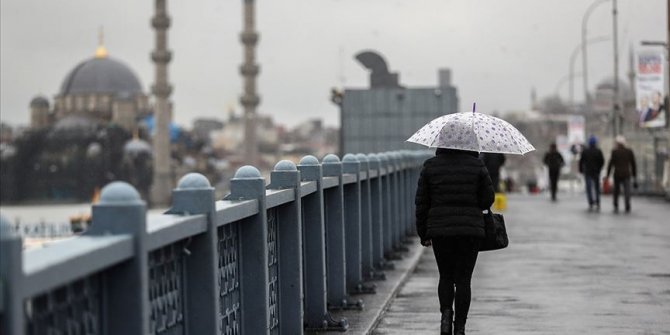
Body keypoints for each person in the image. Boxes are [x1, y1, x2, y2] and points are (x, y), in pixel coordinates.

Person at [415, 148, 495, 335]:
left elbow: (422, 203)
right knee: (464, 280)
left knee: (446, 276)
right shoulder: (477, 165)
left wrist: (423, 233)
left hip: (440, 230)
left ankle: (445, 318)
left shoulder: (430, 166)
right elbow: (487, 199)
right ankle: (460, 328)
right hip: (470, 230)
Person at [605, 135, 637, 213]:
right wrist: (634, 175)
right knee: (627, 191)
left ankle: (616, 204)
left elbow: (611, 164)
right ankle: (627, 205)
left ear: (618, 143)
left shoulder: (615, 152)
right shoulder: (629, 151)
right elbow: (633, 164)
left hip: (617, 174)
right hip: (626, 174)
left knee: (616, 190)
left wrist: (608, 175)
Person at [579, 135, 605, 211]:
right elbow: (602, 161)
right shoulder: (598, 151)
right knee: (597, 188)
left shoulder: (585, 151)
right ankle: (597, 202)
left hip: (588, 172)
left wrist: (581, 170)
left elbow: (581, 161)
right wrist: (599, 169)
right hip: (596, 171)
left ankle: (590, 202)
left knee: (589, 188)